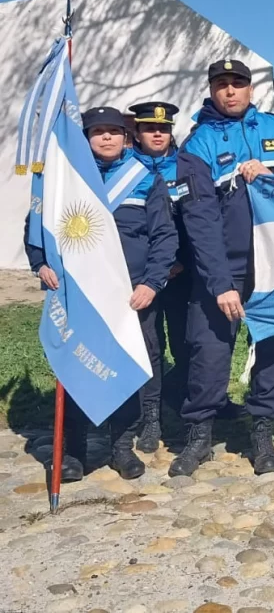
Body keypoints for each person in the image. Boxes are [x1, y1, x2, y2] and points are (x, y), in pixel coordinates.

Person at [172, 59, 274, 477]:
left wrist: (270, 175)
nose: (231, 91)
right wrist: (220, 283)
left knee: (272, 351)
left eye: (238, 83)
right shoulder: (196, 146)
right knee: (208, 351)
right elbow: (198, 219)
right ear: (212, 90)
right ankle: (199, 435)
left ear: (251, 89)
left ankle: (262, 432)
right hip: (224, 271)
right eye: (222, 84)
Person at [24, 107, 178, 481]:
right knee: (77, 364)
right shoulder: (67, 179)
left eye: (113, 131)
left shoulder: (144, 179)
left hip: (131, 295)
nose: (106, 138)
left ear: (126, 137)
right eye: (97, 132)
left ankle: (120, 446)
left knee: (128, 366)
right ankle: (74, 448)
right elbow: (37, 227)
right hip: (80, 295)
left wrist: (151, 283)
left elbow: (164, 237)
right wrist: (40, 263)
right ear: (86, 138)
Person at [129, 101, 191, 452]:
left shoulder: (185, 166)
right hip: (143, 278)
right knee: (149, 347)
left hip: (182, 273)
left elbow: (196, 219)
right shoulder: (125, 170)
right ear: (137, 132)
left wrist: (179, 260)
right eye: (150, 128)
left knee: (186, 344)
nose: (157, 133)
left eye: (164, 129)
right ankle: (149, 417)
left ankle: (181, 406)